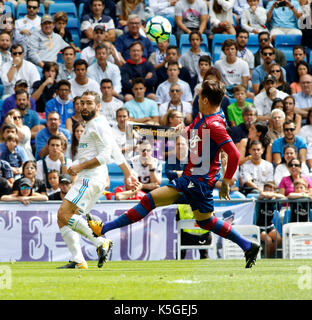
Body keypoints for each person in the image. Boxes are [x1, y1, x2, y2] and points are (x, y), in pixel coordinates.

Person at [88, 79, 261, 269]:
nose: (195, 100)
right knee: (205, 221)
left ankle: (102, 229)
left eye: (198, 96)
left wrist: (227, 181)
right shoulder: (206, 117)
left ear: (203, 99)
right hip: (194, 179)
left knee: (151, 201)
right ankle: (248, 246)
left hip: (198, 182)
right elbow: (198, 134)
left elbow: (234, 153)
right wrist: (184, 130)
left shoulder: (215, 124)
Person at [56, 90, 138, 269]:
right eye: (82, 103)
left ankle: (101, 242)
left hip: (91, 177)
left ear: (98, 106)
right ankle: (79, 260)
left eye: (89, 103)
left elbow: (105, 156)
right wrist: (127, 173)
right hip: (91, 177)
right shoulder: (95, 124)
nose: (84, 107)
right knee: (63, 219)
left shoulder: (97, 125)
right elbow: (114, 150)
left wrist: (79, 167)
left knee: (63, 214)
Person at [255, 181, 283, 258]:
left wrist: (273, 195)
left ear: (274, 191)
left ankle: (268, 254)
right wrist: (272, 194)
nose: (268, 192)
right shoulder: (260, 199)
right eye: (266, 189)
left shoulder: (273, 201)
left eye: (270, 190)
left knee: (279, 240)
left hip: (269, 226)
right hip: (259, 227)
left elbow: (282, 196)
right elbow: (262, 194)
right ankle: (266, 259)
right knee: (268, 241)